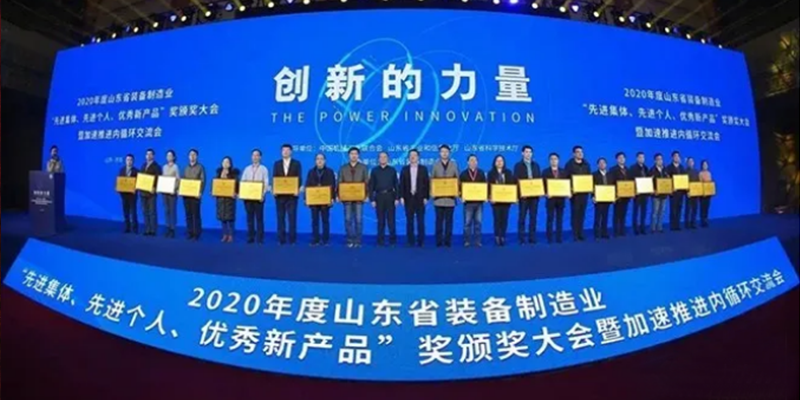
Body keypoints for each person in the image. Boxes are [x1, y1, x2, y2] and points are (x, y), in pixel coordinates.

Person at [339, 147, 369, 248]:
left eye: (356, 154)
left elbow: (366, 182)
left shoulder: (363, 167)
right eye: (352, 154)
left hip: (359, 198)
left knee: (358, 220)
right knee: (348, 219)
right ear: (349, 155)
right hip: (347, 198)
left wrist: (367, 195)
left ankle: (358, 241)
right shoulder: (343, 168)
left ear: (358, 155)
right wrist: (339, 195)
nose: (354, 155)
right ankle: (349, 240)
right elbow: (339, 182)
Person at [399, 149, 430, 247]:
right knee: (409, 221)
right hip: (408, 198)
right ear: (408, 157)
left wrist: (426, 197)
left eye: (415, 155)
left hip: (420, 198)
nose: (412, 157)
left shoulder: (423, 169)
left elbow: (427, 184)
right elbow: (401, 184)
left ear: (418, 157)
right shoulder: (404, 169)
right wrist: (401, 197)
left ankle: (421, 241)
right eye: (411, 155)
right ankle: (410, 241)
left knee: (420, 221)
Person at [273, 144, 302, 245]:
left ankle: (292, 239)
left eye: (287, 150)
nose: (285, 152)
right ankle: (281, 239)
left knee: (292, 218)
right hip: (280, 196)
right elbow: (275, 178)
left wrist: (297, 189)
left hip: (292, 196)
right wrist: (275, 189)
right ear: (281, 152)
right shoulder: (277, 164)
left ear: (291, 152)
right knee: (280, 218)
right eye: (283, 150)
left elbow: (299, 178)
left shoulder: (296, 163)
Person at [369, 152, 399, 247]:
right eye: (381, 157)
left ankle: (392, 240)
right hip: (379, 196)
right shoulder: (374, 171)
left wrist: (397, 198)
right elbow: (371, 186)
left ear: (388, 159)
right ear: (378, 159)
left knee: (391, 220)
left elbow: (396, 185)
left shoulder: (392, 170)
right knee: (380, 220)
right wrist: (372, 199)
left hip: (390, 196)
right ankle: (380, 240)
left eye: (385, 157)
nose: (383, 158)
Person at [513, 145, 542, 245]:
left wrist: (539, 191)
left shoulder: (536, 165)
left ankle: (532, 237)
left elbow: (539, 180)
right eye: (526, 152)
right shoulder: (518, 166)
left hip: (534, 196)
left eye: (530, 152)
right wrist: (519, 194)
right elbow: (516, 181)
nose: (528, 154)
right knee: (522, 217)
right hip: (523, 197)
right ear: (522, 153)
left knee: (533, 217)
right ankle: (521, 238)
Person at [432, 145, 459, 247]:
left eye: (446, 151)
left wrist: (457, 192)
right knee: (438, 221)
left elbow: (457, 180)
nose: (444, 153)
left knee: (449, 221)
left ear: (449, 153)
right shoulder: (435, 165)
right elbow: (432, 180)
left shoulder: (454, 164)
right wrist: (433, 193)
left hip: (450, 199)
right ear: (439, 153)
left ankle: (448, 241)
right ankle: (438, 241)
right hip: (438, 199)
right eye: (442, 151)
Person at [306, 153, 336, 246]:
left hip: (325, 200)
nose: (319, 160)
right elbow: (307, 185)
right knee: (314, 220)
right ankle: (315, 239)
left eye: (321, 159)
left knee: (325, 220)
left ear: (325, 161)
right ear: (315, 161)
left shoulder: (330, 171)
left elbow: (333, 186)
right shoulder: (311, 172)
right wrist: (306, 198)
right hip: (314, 200)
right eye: (317, 159)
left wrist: (332, 198)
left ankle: (325, 240)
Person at [241, 149, 270, 244]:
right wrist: (243, 193)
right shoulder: (247, 169)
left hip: (259, 198)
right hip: (248, 198)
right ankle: (250, 237)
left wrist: (262, 194)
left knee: (259, 218)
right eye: (253, 155)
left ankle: (260, 238)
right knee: (249, 218)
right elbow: (243, 182)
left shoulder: (264, 169)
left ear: (260, 157)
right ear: (251, 157)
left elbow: (266, 184)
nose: (255, 157)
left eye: (257, 155)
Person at [459, 154, 486, 247]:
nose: (473, 162)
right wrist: (461, 196)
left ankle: (478, 241)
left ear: (477, 162)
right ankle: (466, 241)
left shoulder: (481, 173)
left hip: (479, 203)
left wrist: (485, 196)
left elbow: (484, 186)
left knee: (478, 223)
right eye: (471, 160)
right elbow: (459, 187)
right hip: (468, 203)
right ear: (467, 162)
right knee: (467, 223)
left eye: (475, 160)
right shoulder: (463, 174)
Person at [565, 145, 591, 241]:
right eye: (578, 152)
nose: (580, 153)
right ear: (574, 154)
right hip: (574, 194)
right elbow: (566, 179)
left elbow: (589, 178)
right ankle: (575, 234)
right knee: (575, 214)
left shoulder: (586, 164)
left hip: (584, 193)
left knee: (582, 214)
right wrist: (569, 190)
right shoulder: (569, 165)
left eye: (581, 152)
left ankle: (581, 233)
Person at [488, 155, 515, 246]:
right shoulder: (491, 173)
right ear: (495, 163)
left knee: (504, 219)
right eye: (497, 161)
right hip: (495, 201)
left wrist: (513, 197)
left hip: (506, 201)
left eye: (501, 161)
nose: (499, 162)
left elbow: (512, 186)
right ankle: (497, 236)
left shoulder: (508, 172)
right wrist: (490, 197)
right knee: (497, 219)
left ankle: (503, 236)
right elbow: (488, 187)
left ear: (504, 162)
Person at [543, 153, 567, 244]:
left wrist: (568, 192)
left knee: (559, 219)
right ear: (549, 161)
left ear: (558, 160)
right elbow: (542, 185)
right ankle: (549, 237)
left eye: (555, 159)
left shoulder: (564, 172)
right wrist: (545, 193)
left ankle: (559, 237)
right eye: (552, 159)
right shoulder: (545, 172)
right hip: (550, 199)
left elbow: (566, 184)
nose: (554, 160)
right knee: (550, 218)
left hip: (561, 199)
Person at [184, 149, 206, 241]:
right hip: (186, 195)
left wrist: (200, 192)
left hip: (196, 195)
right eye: (190, 155)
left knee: (196, 215)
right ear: (188, 157)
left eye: (194, 155)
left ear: (196, 156)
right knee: (188, 214)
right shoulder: (186, 168)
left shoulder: (200, 167)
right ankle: (190, 232)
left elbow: (203, 181)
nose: (192, 156)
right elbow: (183, 181)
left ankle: (197, 233)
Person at [216, 156, 238, 243]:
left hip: (230, 200)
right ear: (222, 164)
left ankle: (231, 235)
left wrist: (236, 193)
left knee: (230, 218)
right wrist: (213, 191)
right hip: (221, 200)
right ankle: (225, 234)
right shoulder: (218, 173)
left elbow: (237, 186)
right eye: (224, 162)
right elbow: (215, 185)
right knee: (222, 218)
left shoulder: (234, 175)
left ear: (230, 164)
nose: (225, 163)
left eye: (227, 162)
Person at [609, 152, 631, 237]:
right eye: (620, 158)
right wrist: (614, 195)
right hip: (617, 196)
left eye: (623, 158)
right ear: (617, 159)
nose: (622, 159)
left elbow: (630, 183)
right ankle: (616, 231)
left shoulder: (628, 169)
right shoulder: (612, 169)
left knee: (623, 214)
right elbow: (611, 183)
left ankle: (622, 230)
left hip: (626, 196)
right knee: (616, 214)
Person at [140, 149, 161, 236]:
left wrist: (155, 187)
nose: (148, 156)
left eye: (150, 154)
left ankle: (153, 230)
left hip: (151, 193)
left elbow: (158, 179)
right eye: (147, 154)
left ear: (153, 156)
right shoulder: (143, 165)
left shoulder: (157, 166)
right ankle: (147, 229)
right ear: (145, 156)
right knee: (145, 212)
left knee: (152, 212)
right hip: (142, 192)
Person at [161, 150, 180, 238]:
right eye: (167, 155)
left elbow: (178, 179)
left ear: (174, 157)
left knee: (172, 211)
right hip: (165, 192)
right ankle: (167, 227)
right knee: (166, 210)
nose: (169, 157)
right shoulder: (164, 167)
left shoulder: (176, 167)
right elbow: (162, 179)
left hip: (172, 192)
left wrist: (175, 189)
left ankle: (172, 229)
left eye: (170, 155)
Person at [666, 150, 686, 232]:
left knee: (679, 208)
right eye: (675, 156)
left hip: (681, 192)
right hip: (673, 192)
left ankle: (677, 224)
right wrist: (670, 188)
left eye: (678, 156)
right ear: (672, 158)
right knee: (673, 209)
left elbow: (684, 179)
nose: (677, 158)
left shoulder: (682, 168)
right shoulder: (668, 168)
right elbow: (667, 180)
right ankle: (672, 225)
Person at [592, 158, 612, 240]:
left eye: (603, 162)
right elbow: (591, 187)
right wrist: (593, 196)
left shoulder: (610, 174)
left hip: (607, 198)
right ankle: (596, 234)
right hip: (598, 199)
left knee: (605, 216)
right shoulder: (594, 175)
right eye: (600, 163)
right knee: (597, 217)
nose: (602, 164)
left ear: (606, 164)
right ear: (597, 165)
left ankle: (604, 233)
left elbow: (612, 186)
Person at [119, 154, 138, 234]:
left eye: (131, 160)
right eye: (127, 160)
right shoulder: (122, 170)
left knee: (133, 212)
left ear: (133, 161)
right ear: (125, 161)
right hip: (124, 195)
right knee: (125, 211)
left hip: (132, 195)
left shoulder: (136, 171)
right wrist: (119, 189)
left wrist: (134, 189)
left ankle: (135, 228)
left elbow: (138, 183)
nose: (129, 161)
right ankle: (127, 227)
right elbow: (120, 181)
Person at [650, 153, 669, 234]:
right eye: (658, 159)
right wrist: (653, 190)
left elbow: (668, 181)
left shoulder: (665, 170)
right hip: (656, 195)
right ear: (655, 161)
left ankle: (660, 227)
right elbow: (649, 182)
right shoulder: (652, 170)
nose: (660, 161)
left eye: (661, 159)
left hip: (664, 194)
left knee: (662, 212)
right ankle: (653, 228)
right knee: (655, 212)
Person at [630, 152, 649, 235]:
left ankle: (642, 227)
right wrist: (634, 190)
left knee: (643, 212)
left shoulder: (646, 168)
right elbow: (631, 181)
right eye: (640, 157)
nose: (642, 159)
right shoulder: (633, 168)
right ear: (637, 158)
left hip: (645, 193)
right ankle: (635, 228)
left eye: (643, 157)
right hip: (637, 194)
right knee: (636, 211)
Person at [684, 157, 700, 229]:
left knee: (695, 209)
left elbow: (698, 182)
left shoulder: (697, 171)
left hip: (695, 193)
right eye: (689, 161)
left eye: (692, 161)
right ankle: (686, 224)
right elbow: (684, 182)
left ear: (693, 163)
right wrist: (687, 191)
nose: (690, 163)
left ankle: (693, 223)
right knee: (688, 209)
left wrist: (698, 191)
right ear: (687, 163)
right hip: (688, 193)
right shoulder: (684, 171)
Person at [699, 160, 713, 228]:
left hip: (708, 193)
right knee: (702, 208)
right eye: (704, 165)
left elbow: (710, 183)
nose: (705, 166)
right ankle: (702, 221)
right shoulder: (700, 173)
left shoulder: (709, 173)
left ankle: (706, 220)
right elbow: (700, 183)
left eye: (706, 164)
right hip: (702, 194)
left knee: (707, 207)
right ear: (702, 166)